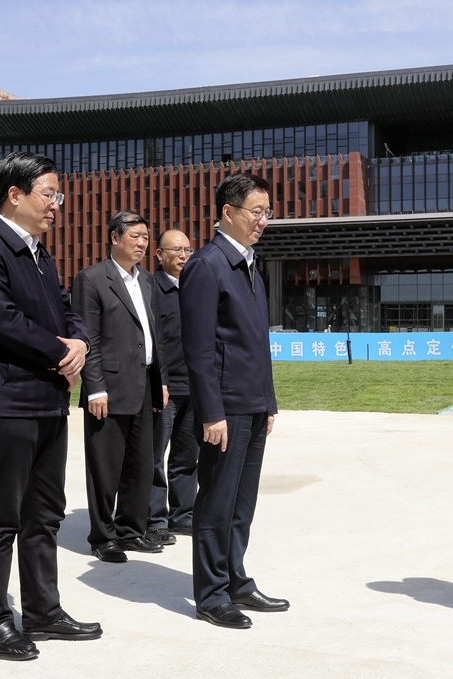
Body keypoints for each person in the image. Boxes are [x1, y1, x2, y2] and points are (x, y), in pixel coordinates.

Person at [0, 151, 102, 661]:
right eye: (49, 194)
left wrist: (80, 341)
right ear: (14, 195)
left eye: (58, 195)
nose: (57, 204)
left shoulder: (40, 253)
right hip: (7, 403)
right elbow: (2, 321)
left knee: (44, 514)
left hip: (48, 402)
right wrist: (62, 353)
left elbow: (65, 308)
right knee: (2, 517)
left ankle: (43, 611)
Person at [180, 173, 288, 629]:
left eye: (267, 212)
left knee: (242, 504)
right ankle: (211, 594)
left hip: (253, 404)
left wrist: (269, 402)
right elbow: (199, 349)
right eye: (256, 211)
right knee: (216, 503)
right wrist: (212, 412)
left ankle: (236, 580)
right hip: (224, 408)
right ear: (228, 212)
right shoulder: (207, 266)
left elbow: (255, 344)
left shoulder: (249, 265)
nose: (263, 220)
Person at [73, 211, 169, 564]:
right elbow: (88, 339)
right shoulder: (92, 279)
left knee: (141, 465)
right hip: (108, 390)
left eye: (146, 237)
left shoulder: (147, 281)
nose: (142, 243)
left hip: (144, 385)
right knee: (105, 467)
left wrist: (162, 381)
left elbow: (155, 336)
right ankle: (103, 537)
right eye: (135, 236)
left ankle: (131, 530)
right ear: (115, 238)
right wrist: (95, 388)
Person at [148, 229, 199, 541]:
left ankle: (183, 515)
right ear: (159, 254)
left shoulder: (196, 287)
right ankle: (154, 520)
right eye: (176, 250)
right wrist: (160, 382)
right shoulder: (150, 288)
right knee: (154, 458)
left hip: (194, 388)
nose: (183, 255)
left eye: (187, 250)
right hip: (163, 389)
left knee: (186, 458)